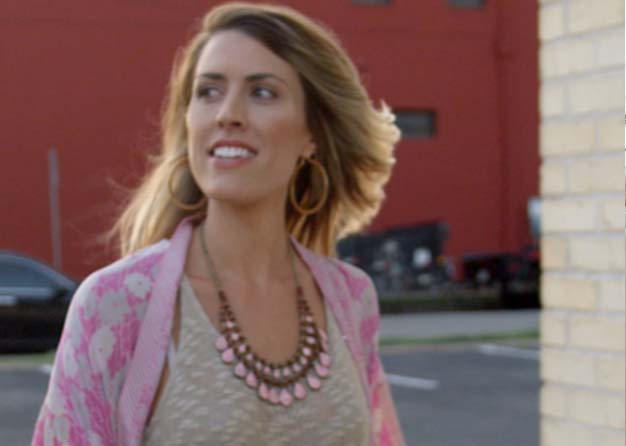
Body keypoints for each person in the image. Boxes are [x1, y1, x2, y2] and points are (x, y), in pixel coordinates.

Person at [32, 3, 405, 445]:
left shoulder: (351, 297)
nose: (227, 114)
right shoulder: (115, 305)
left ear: (313, 135)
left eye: (262, 92)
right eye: (208, 91)